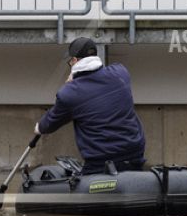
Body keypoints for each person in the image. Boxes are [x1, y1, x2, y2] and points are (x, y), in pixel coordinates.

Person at [35, 37, 146, 174]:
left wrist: (38, 127)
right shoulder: (120, 73)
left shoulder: (69, 93)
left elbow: (48, 124)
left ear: (74, 61)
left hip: (101, 161)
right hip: (135, 153)